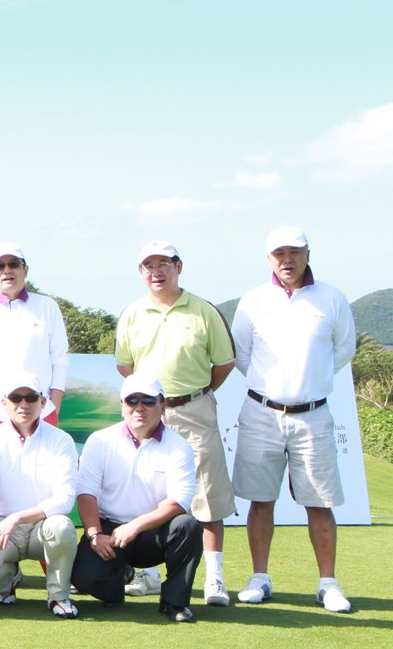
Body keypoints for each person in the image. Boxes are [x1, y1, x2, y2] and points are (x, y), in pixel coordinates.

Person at [230, 226, 359, 613]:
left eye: (294, 252)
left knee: (319, 502)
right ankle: (259, 577)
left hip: (313, 414)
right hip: (261, 412)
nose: (287, 260)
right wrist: (273, 388)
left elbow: (343, 349)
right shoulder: (253, 300)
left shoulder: (332, 298)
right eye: (279, 254)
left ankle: (328, 583)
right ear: (268, 259)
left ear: (307, 254)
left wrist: (309, 382)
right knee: (260, 500)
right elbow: (241, 354)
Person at [114, 240, 238, 606]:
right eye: (148, 266)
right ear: (141, 272)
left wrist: (192, 394)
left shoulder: (203, 311)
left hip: (194, 408)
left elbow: (223, 364)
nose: (156, 271)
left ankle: (214, 579)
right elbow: (125, 366)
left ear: (178, 267)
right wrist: (151, 402)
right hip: (148, 412)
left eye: (163, 264)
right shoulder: (132, 313)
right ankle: (149, 574)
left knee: (207, 495)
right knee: (148, 492)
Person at [71, 378, 203, 622]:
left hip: (155, 531)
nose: (139, 407)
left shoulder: (178, 446)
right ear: (122, 406)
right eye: (132, 400)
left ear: (162, 405)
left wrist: (134, 526)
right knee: (83, 578)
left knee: (188, 526)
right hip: (109, 531)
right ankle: (118, 585)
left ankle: (174, 603)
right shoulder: (100, 441)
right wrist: (94, 535)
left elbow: (178, 502)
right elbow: (86, 493)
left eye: (148, 401)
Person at [0, 374, 80, 618]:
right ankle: (8, 581)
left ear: (43, 402)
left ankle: (58, 596)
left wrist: (17, 518)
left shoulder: (61, 440)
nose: (23, 404)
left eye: (31, 397)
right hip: (3, 527)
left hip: (43, 526)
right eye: (16, 398)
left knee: (61, 526)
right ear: (4, 402)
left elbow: (65, 499)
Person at [0, 243, 68, 435]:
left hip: (41, 413)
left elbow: (59, 359)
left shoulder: (47, 307)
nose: (7, 270)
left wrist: (53, 406)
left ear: (25, 270)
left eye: (13, 264)